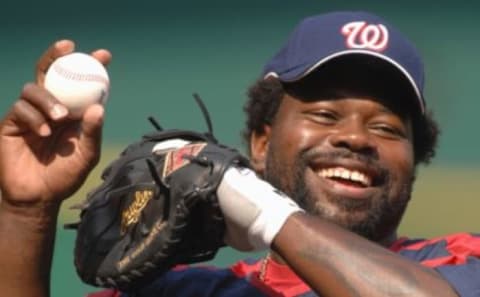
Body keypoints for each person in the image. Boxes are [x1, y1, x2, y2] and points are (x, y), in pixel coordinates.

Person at [0, 10, 479, 297]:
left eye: (385, 127)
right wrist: (25, 212)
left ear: (413, 161)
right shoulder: (190, 292)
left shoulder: (463, 262)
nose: (356, 138)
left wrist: (251, 200)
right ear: (262, 143)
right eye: (325, 115)